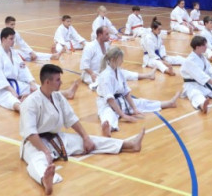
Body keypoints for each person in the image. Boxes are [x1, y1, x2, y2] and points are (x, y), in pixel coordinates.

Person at [20, 63, 145, 194]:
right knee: (36, 161)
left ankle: (130, 145)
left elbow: (71, 118)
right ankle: (45, 181)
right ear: (47, 82)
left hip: (56, 138)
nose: (61, 82)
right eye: (58, 80)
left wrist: (85, 137)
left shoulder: (57, 96)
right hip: (34, 143)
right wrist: (45, 151)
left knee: (91, 141)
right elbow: (31, 133)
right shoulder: (30, 102)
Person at [0, 28, 77, 112]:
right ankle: (22, 108)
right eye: (11, 39)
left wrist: (31, 83)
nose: (13, 42)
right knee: (9, 98)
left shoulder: (14, 53)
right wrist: (13, 92)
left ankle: (66, 93)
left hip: (15, 84)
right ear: (3, 39)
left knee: (38, 89)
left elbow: (23, 69)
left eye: (14, 39)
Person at [96, 46, 179, 136]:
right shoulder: (106, 76)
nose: (122, 61)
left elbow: (126, 92)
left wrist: (134, 108)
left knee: (142, 102)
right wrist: (123, 115)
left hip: (120, 101)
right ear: (113, 59)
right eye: (120, 59)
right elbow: (110, 100)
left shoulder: (119, 72)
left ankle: (169, 103)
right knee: (108, 115)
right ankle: (108, 129)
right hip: (107, 104)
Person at [80, 27, 154, 88]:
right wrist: (92, 74)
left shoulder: (106, 45)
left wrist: (115, 68)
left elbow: (109, 61)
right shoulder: (89, 47)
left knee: (122, 72)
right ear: (100, 35)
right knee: (105, 82)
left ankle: (148, 75)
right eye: (106, 34)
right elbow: (84, 64)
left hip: (103, 72)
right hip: (91, 74)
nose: (109, 36)